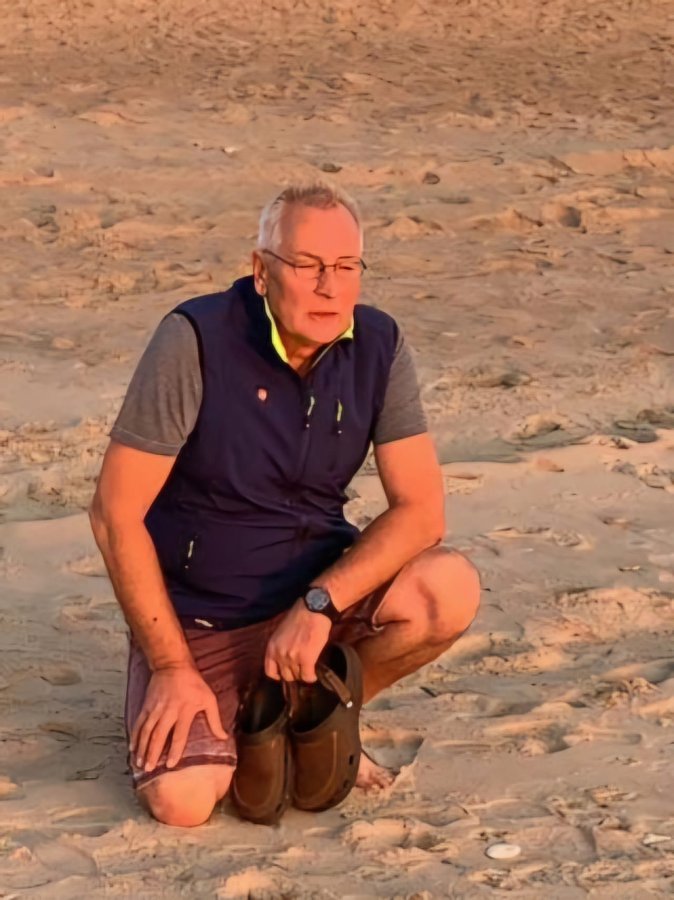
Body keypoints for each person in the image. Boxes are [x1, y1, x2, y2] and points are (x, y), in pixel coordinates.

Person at [89, 181, 480, 827]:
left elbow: (421, 512)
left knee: (448, 587)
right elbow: (113, 515)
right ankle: (232, 712)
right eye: (307, 265)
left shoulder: (380, 345)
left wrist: (320, 604)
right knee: (184, 802)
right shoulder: (195, 339)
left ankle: (320, 717)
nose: (329, 287)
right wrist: (170, 665)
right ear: (262, 271)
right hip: (203, 615)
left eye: (346, 266)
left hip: (312, 600)